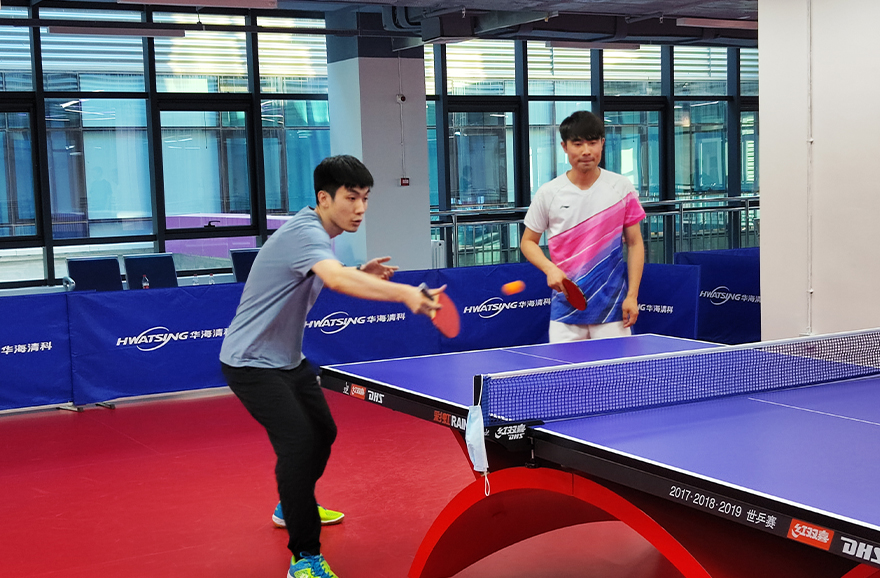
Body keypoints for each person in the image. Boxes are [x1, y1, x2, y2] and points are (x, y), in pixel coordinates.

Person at [220, 155, 443, 578]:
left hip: (288, 360)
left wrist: (360, 270)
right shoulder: (306, 233)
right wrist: (405, 294)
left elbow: (327, 273)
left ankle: (293, 502)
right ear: (324, 198)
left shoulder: (318, 233)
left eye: (365, 198)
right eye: (351, 198)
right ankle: (304, 557)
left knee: (323, 433)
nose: (360, 208)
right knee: (298, 444)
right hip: (250, 362)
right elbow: (336, 279)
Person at [520, 110, 646, 342]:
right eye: (577, 144)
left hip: (613, 310)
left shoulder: (621, 187)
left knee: (617, 368)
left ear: (602, 144)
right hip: (565, 312)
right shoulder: (549, 193)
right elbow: (528, 242)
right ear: (565, 147)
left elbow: (635, 243)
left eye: (592, 142)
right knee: (563, 368)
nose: (586, 151)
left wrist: (632, 296)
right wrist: (549, 269)